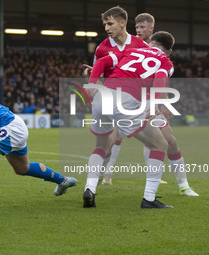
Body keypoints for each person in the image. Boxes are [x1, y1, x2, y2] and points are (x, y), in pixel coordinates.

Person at [100, 13, 199, 196]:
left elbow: (162, 78)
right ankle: (100, 177)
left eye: (142, 28)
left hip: (147, 102)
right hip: (128, 101)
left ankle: (184, 186)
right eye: (137, 27)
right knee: (112, 140)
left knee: (169, 141)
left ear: (151, 30)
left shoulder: (155, 49)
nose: (138, 31)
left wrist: (164, 104)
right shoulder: (133, 46)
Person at [83, 31, 176, 209]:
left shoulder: (132, 51)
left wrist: (93, 83)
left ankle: (90, 189)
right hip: (124, 100)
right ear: (169, 51)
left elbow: (101, 61)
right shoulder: (165, 61)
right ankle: (149, 199)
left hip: (101, 97)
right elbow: (160, 79)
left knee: (101, 147)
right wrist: (158, 104)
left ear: (151, 43)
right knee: (160, 144)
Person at [83, 6, 148, 186]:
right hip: (108, 97)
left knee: (155, 140)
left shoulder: (140, 45)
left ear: (122, 23)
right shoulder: (101, 49)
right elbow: (98, 72)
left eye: (110, 23)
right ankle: (103, 173)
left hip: (131, 98)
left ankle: (105, 176)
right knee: (108, 142)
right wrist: (94, 84)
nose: (106, 28)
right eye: (104, 24)